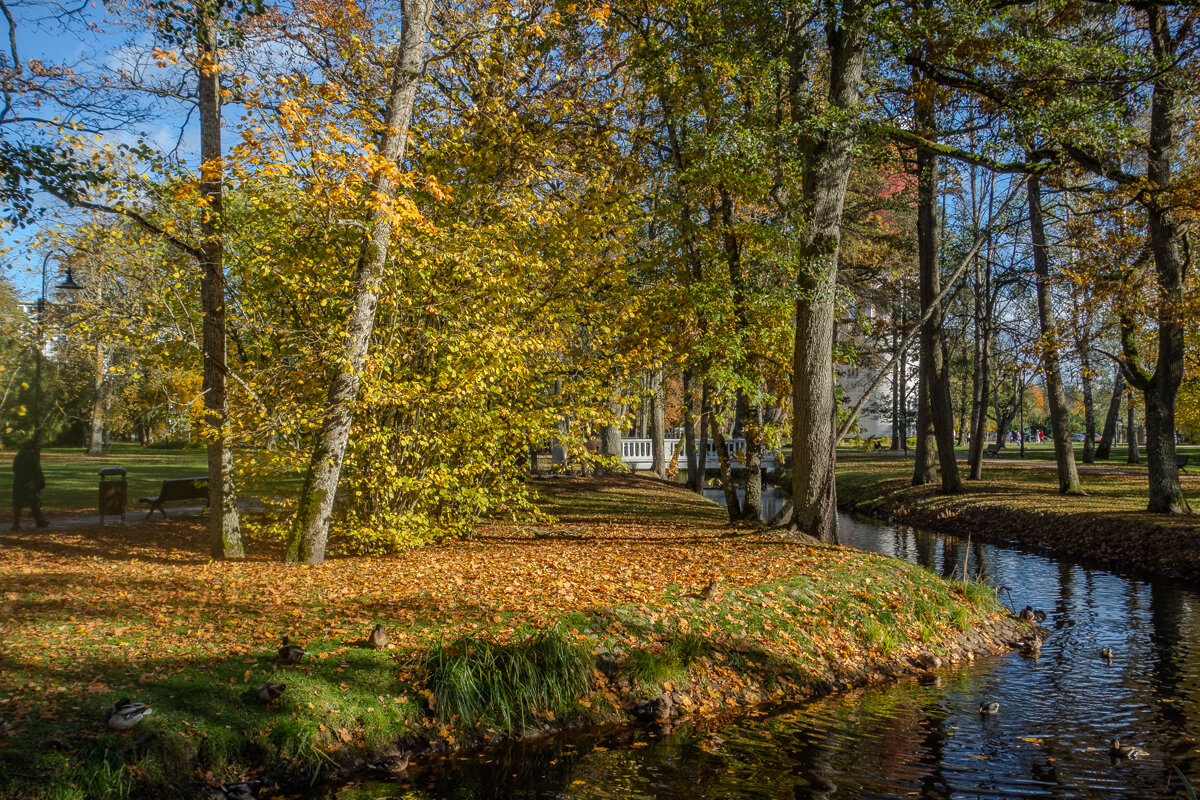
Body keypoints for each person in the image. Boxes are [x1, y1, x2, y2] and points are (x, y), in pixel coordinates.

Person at [12, 439, 48, 530]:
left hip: (18, 482)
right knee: (35, 501)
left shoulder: (18, 455)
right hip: (31, 482)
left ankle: (16, 524)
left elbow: (14, 469)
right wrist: (41, 481)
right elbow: (37, 470)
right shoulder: (32, 456)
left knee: (17, 503)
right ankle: (39, 522)